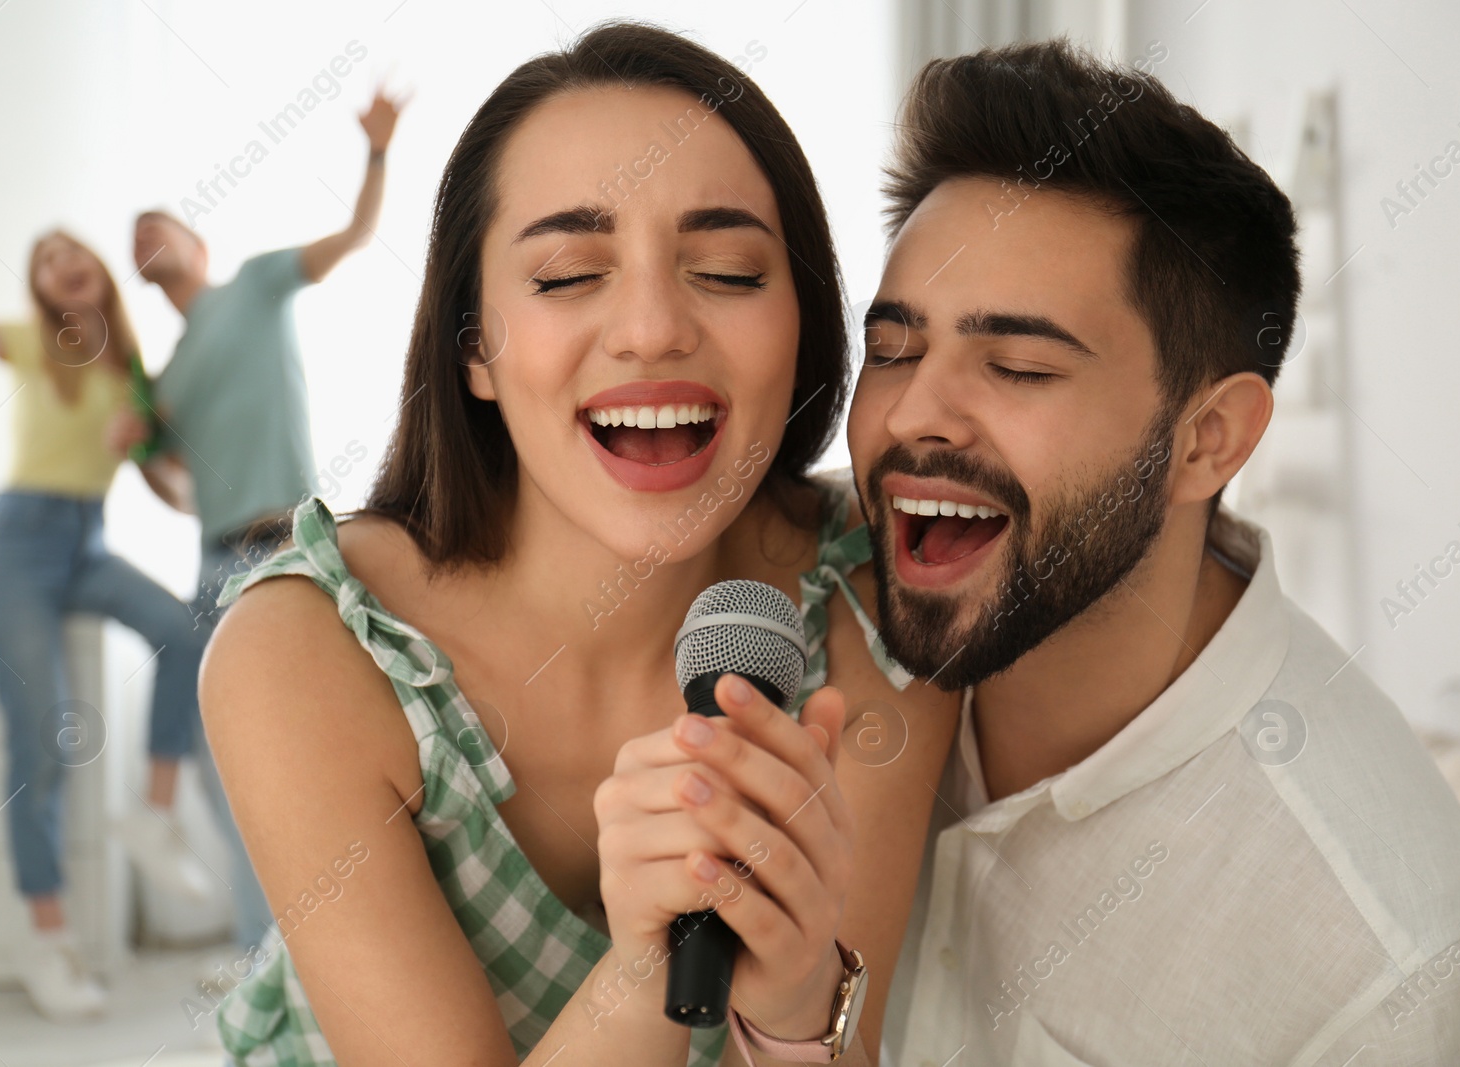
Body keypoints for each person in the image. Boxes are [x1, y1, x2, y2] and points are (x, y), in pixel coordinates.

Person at [200, 22, 954, 1067]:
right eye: (564, 276)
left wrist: (792, 1004)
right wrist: (650, 961)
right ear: (473, 347)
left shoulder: (875, 608)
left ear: (803, 321)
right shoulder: (306, 648)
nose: (651, 328)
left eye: (730, 271)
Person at [848, 40, 1460, 1065]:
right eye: (893, 349)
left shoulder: (1379, 961)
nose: (914, 414)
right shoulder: (798, 599)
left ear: (1207, 440)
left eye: (1016, 366)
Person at [0, 173, 214, 1020]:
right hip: (18, 551)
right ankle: (48, 937)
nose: (61, 262)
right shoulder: (34, 343)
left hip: (85, 544)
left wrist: (171, 463)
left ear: (98, 270)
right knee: (46, 746)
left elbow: (171, 492)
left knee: (183, 624)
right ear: (42, 287)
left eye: (71, 251)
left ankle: (154, 814)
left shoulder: (134, 371)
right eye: (45, 259)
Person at [108, 86, 408, 956]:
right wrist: (137, 449)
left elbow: (354, 237)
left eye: (157, 226)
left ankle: (353, 946)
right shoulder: (164, 383)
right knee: (233, 764)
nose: (143, 242)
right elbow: (179, 492)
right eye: (135, 242)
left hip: (295, 544)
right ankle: (258, 959)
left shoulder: (256, 284)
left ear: (199, 244)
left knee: (329, 744)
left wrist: (379, 150)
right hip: (215, 557)